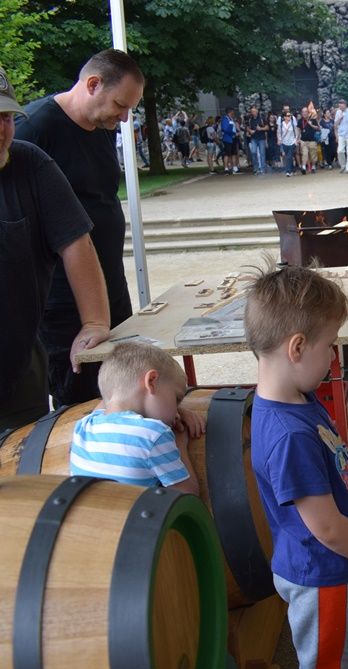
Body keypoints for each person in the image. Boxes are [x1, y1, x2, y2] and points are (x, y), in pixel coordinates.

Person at [245, 263, 348, 669]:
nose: (333, 356)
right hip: (320, 573)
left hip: (327, 565)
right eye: (329, 346)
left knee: (336, 653)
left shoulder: (299, 398)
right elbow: (326, 527)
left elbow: (339, 459)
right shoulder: (289, 435)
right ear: (296, 348)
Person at [15, 48, 144, 409]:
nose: (123, 117)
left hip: (110, 288)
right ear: (92, 84)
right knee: (82, 401)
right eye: (120, 104)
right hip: (63, 302)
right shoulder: (34, 128)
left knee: (125, 388)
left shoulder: (101, 127)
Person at [0, 66, 111, 430]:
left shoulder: (28, 163)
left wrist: (94, 320)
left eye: (5, 117)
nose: (2, 130)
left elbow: (76, 241)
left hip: (18, 373)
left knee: (22, 479)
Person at [69, 342, 203, 495]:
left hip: (90, 516)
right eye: (177, 398)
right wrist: (180, 442)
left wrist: (174, 408)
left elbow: (107, 401)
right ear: (151, 381)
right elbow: (187, 494)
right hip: (133, 518)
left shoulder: (84, 426)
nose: (176, 411)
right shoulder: (154, 435)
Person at [334, 99, 348, 174]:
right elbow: (335, 125)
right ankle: (343, 166)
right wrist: (340, 118)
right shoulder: (338, 112)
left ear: (345, 105)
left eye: (341, 105)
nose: (340, 107)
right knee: (340, 151)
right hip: (341, 134)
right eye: (339, 106)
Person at [246, 105, 268, 175]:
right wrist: (250, 131)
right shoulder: (250, 119)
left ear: (257, 111)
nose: (253, 112)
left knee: (262, 154)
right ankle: (256, 169)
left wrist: (261, 129)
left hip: (261, 138)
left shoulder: (262, 118)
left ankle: (263, 169)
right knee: (253, 152)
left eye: (254, 111)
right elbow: (247, 127)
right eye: (252, 111)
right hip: (253, 138)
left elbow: (267, 127)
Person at [278, 108, 298, 177]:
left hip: (292, 142)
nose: (289, 117)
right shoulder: (282, 124)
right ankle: (292, 169)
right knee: (287, 156)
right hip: (284, 142)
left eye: (289, 116)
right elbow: (279, 132)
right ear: (284, 117)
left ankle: (288, 171)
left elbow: (296, 131)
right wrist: (279, 140)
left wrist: (296, 140)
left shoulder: (292, 123)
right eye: (287, 116)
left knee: (289, 156)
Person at [220, 107, 240, 174]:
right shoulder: (225, 119)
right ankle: (226, 168)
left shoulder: (231, 119)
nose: (233, 113)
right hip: (228, 139)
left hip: (233, 138)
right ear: (230, 112)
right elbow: (225, 129)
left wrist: (236, 132)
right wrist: (233, 133)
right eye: (232, 112)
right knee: (227, 154)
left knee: (234, 153)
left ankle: (234, 167)